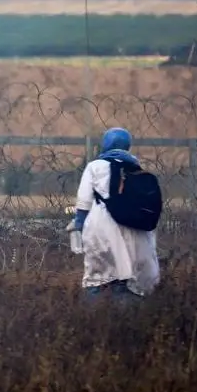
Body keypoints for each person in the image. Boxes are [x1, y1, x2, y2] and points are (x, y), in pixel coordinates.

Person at [69, 127, 160, 300]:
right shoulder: (136, 168)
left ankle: (94, 318)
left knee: (97, 278)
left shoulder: (95, 167)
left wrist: (79, 226)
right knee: (127, 280)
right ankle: (126, 320)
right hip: (134, 230)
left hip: (101, 229)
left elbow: (84, 202)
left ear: (105, 144)